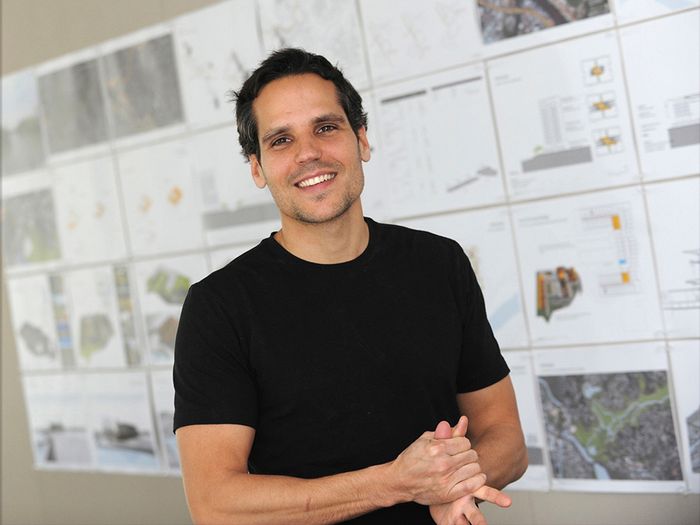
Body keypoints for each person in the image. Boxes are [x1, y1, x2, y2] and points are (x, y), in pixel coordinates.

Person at [173, 48, 527, 525]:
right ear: (257, 168)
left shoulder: (438, 263)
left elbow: (507, 439)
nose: (308, 153)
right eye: (281, 140)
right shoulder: (220, 307)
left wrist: (453, 484)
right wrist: (396, 483)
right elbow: (215, 504)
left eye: (325, 128)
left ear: (361, 138)